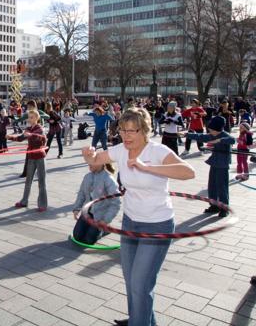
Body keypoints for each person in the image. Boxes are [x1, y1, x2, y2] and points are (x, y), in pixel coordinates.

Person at [82, 108, 195, 326]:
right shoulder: (121, 150)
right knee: (131, 281)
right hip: (130, 223)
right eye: (123, 130)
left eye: (132, 131)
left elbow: (189, 172)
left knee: (141, 284)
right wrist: (89, 155)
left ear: (144, 130)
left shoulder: (157, 152)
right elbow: (96, 160)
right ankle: (140, 319)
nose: (126, 136)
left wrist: (148, 168)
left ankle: (139, 322)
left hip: (157, 225)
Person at [185, 116, 235, 218]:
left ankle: (224, 208)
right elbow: (201, 136)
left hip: (223, 165)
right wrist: (187, 134)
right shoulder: (212, 135)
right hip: (214, 163)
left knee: (222, 187)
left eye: (211, 129)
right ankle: (214, 205)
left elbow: (232, 140)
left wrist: (219, 140)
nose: (210, 131)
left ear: (217, 129)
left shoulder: (224, 135)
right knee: (212, 186)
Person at [8, 110, 48, 212]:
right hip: (30, 157)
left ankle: (42, 204)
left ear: (36, 118)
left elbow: (42, 138)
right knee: (28, 180)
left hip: (39, 157)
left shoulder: (39, 128)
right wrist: (10, 137)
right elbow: (21, 138)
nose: (29, 119)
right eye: (29, 117)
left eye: (31, 117)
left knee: (41, 181)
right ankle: (24, 201)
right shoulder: (28, 129)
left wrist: (30, 135)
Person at [72, 162, 120, 245]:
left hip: (100, 215)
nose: (89, 164)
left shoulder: (108, 179)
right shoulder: (87, 177)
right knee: (77, 236)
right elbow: (81, 193)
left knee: (89, 240)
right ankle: (91, 228)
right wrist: (76, 208)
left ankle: (104, 230)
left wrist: (105, 220)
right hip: (87, 213)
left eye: (92, 162)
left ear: (100, 163)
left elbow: (116, 203)